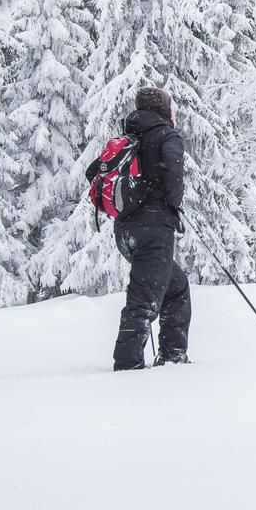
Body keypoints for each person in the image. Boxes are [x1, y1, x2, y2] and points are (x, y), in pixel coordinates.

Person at [89, 87, 192, 370]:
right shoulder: (166, 135)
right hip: (154, 229)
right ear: (164, 110)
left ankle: (173, 356)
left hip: (125, 231)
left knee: (175, 287)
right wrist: (173, 202)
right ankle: (127, 366)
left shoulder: (129, 137)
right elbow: (173, 171)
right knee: (143, 301)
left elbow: (94, 172)